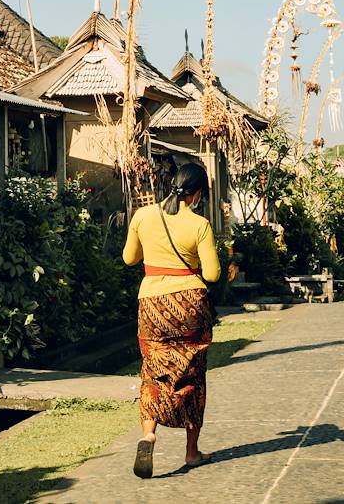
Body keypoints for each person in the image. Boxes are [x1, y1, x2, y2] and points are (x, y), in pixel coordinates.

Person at [123, 163, 221, 479]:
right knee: (192, 375)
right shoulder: (199, 224)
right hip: (190, 304)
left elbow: (129, 258)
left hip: (151, 303)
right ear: (197, 194)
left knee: (153, 371)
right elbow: (212, 274)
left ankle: (149, 435)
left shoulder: (143, 216)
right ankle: (192, 452)